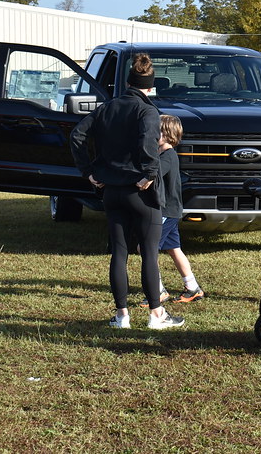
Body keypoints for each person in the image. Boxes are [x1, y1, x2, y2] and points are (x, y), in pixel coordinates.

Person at [70, 53, 184, 330]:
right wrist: (149, 174)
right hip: (140, 191)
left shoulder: (106, 108)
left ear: (128, 82)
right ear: (150, 86)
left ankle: (122, 316)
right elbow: (147, 141)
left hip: (111, 190)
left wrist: (88, 172)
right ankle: (156, 315)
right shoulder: (148, 111)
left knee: (119, 254)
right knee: (149, 254)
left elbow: (76, 135)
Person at [141, 114, 205, 307]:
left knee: (146, 249)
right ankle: (192, 286)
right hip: (171, 210)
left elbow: (153, 173)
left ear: (167, 135)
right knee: (174, 249)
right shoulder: (164, 155)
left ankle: (158, 290)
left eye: (155, 132)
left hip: (165, 211)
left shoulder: (167, 156)